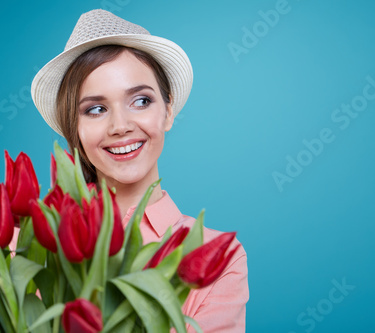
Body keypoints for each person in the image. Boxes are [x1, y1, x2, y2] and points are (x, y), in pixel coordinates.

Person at [31, 9, 249, 332]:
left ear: (168, 110)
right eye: (96, 109)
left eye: (141, 101)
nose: (120, 126)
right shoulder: (32, 243)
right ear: (75, 130)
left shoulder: (217, 257)